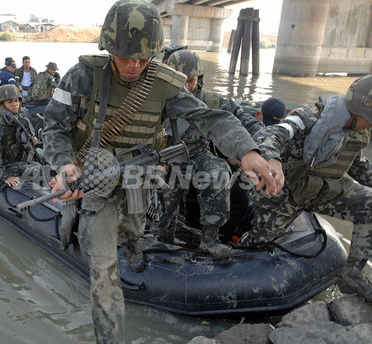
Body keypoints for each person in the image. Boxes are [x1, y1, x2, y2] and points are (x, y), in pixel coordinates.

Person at [41, 1, 277, 343]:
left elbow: (211, 119)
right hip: (92, 174)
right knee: (105, 275)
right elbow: (53, 126)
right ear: (108, 48)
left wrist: (248, 152)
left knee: (136, 224)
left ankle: (133, 242)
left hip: (139, 174)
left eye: (143, 57)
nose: (135, 65)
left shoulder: (163, 83)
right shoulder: (82, 77)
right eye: (126, 57)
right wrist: (64, 164)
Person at [240, 73, 372, 307]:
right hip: (285, 193)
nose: (371, 126)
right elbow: (271, 133)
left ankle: (353, 275)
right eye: (371, 120)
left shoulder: (357, 132)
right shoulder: (311, 116)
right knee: (257, 242)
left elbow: (361, 168)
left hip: (322, 192)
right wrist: (273, 160)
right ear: (361, 109)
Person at [152, 49, 237, 255]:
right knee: (166, 197)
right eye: (180, 80)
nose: (186, 87)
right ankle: (164, 238)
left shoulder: (210, 101)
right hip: (168, 157)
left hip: (198, 154)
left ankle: (209, 239)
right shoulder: (157, 99)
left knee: (218, 173)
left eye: (191, 80)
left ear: (199, 78)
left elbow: (238, 118)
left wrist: (256, 148)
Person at [0, 84, 42, 187]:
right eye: (10, 102)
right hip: (6, 164)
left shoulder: (20, 118)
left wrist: (33, 140)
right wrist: (5, 176)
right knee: (37, 168)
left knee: (47, 160)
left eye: (16, 101)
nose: (15, 104)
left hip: (19, 158)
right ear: (2, 105)